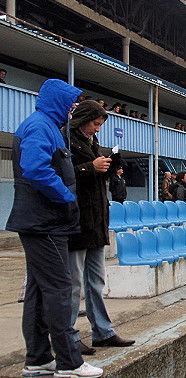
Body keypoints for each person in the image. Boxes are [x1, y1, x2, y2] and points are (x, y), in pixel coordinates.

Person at [6, 79, 103, 377]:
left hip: (43, 221)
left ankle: (38, 358)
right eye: (71, 104)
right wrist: (66, 196)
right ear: (58, 102)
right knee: (60, 289)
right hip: (45, 222)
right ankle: (69, 362)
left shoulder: (46, 125)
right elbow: (36, 169)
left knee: (38, 292)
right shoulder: (40, 126)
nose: (74, 109)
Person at [64, 100, 134, 356]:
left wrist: (110, 167)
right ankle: (68, 337)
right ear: (83, 120)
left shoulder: (90, 142)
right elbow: (60, 174)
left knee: (96, 280)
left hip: (96, 221)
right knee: (73, 283)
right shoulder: (64, 139)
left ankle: (102, 332)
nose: (97, 130)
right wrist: (89, 167)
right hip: (78, 221)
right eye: (95, 124)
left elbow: (93, 177)